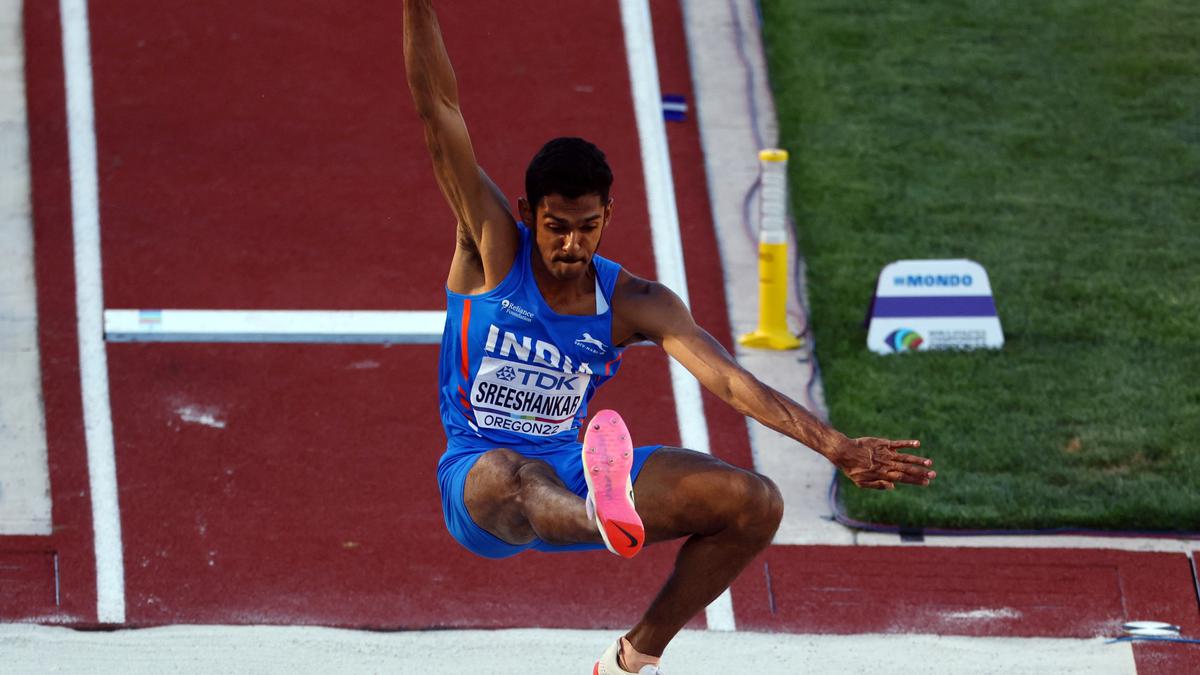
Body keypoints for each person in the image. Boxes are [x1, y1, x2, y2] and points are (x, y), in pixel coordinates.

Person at [403, 2, 937, 672]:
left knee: (754, 502)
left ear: (608, 215)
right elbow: (437, 110)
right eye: (556, 226)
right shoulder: (489, 251)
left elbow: (729, 381)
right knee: (516, 474)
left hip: (579, 469)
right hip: (479, 479)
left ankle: (632, 658)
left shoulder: (634, 302)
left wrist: (836, 446)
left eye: (588, 226)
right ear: (526, 214)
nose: (571, 244)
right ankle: (602, 513)